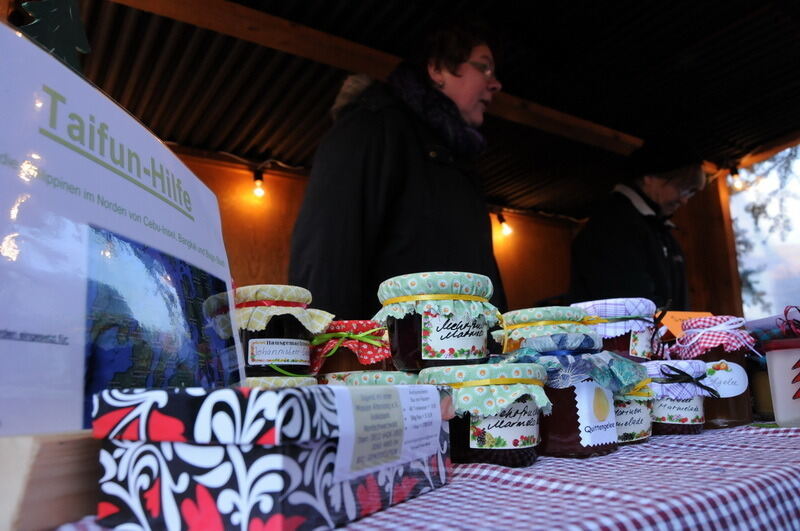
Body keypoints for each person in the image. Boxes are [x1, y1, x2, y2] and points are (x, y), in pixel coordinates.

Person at [289, 23, 507, 318]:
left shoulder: (456, 157)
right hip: (393, 359)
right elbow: (328, 253)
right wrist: (330, 353)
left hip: (460, 356)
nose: (495, 83)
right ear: (438, 69)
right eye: (484, 68)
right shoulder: (374, 126)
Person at [569, 143, 706, 310]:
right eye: (681, 188)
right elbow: (629, 304)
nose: (684, 200)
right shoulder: (613, 224)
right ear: (650, 177)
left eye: (690, 193)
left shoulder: (660, 230)